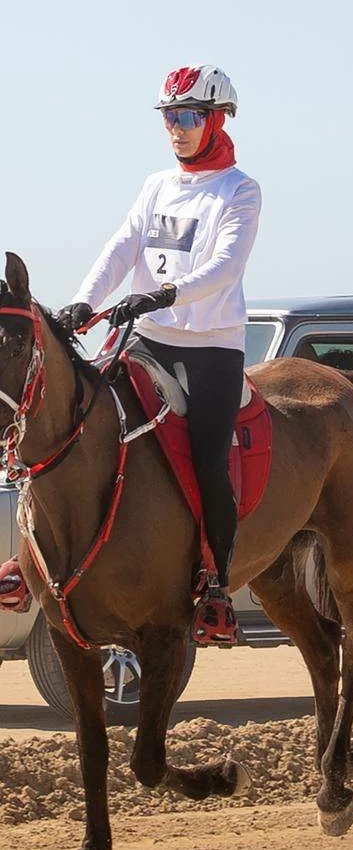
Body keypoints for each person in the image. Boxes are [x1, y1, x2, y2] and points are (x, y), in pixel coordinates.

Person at [59, 67, 262, 644]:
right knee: (80, 420)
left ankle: (217, 587)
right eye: (169, 118)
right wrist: (82, 302)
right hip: (147, 338)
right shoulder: (155, 185)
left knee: (208, 462)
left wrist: (164, 294)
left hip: (210, 350)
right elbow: (121, 248)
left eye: (188, 117)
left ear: (216, 120)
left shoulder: (241, 190)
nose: (176, 129)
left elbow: (225, 267)